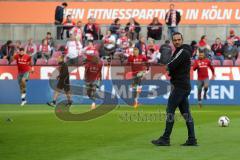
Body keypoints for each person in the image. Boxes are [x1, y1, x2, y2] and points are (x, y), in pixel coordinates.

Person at [152, 32, 197, 146]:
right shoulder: (179, 52)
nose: (177, 41)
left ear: (182, 40)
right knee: (186, 113)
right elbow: (172, 67)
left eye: (178, 39)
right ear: (172, 41)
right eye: (175, 40)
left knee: (170, 110)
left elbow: (170, 65)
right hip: (181, 85)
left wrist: (158, 70)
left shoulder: (182, 51)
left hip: (180, 86)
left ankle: (165, 139)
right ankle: (192, 139)